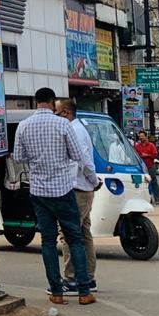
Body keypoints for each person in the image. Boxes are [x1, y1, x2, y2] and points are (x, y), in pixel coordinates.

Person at [13, 87, 99, 306]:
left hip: (39, 192)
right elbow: (79, 156)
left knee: (48, 241)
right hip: (63, 190)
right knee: (74, 238)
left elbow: (20, 156)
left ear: (35, 101)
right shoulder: (63, 124)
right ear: (52, 103)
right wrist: (93, 181)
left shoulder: (23, 126)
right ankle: (83, 292)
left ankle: (56, 292)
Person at [55, 98, 98, 293]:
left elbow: (84, 161)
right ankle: (88, 277)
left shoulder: (74, 131)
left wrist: (93, 180)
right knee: (83, 233)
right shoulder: (76, 129)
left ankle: (72, 279)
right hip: (82, 187)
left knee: (68, 234)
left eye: (56, 112)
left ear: (65, 113)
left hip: (78, 189)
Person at [134, 130, 159, 204]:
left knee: (153, 182)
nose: (141, 138)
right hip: (141, 168)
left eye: (142, 136)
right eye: (140, 136)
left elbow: (155, 155)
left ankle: (158, 199)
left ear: (146, 137)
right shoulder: (137, 146)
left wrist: (147, 155)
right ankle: (147, 199)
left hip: (150, 166)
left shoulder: (151, 145)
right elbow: (135, 156)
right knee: (143, 184)